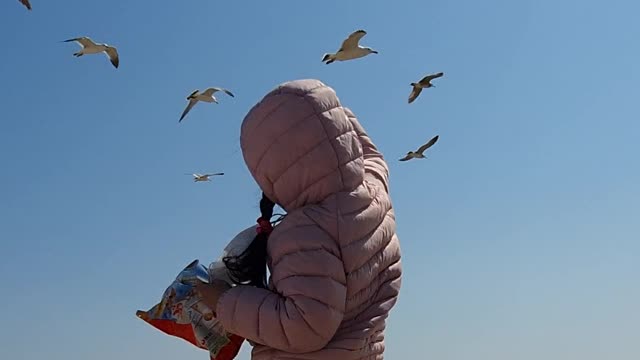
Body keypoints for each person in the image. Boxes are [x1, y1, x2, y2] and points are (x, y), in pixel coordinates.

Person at [196, 79, 402, 360]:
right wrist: (328, 112)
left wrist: (224, 301)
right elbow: (371, 155)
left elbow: (304, 327)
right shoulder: (375, 194)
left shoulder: (303, 232)